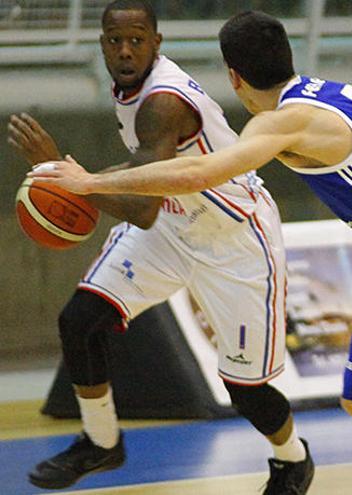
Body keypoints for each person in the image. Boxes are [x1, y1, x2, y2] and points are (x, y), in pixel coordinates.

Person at [31, 10, 352, 495]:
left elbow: (198, 173)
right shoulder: (333, 91)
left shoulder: (281, 123)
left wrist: (86, 182)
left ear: (233, 76)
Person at [7, 2, 313, 493]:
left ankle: (291, 459)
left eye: (136, 40)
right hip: (172, 225)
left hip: (233, 238)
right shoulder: (130, 90)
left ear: (157, 42)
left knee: (245, 390)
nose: (125, 50)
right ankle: (102, 443)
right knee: (79, 322)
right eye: (114, 40)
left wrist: (69, 181)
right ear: (103, 42)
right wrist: (74, 178)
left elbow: (142, 206)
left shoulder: (163, 101)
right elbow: (143, 171)